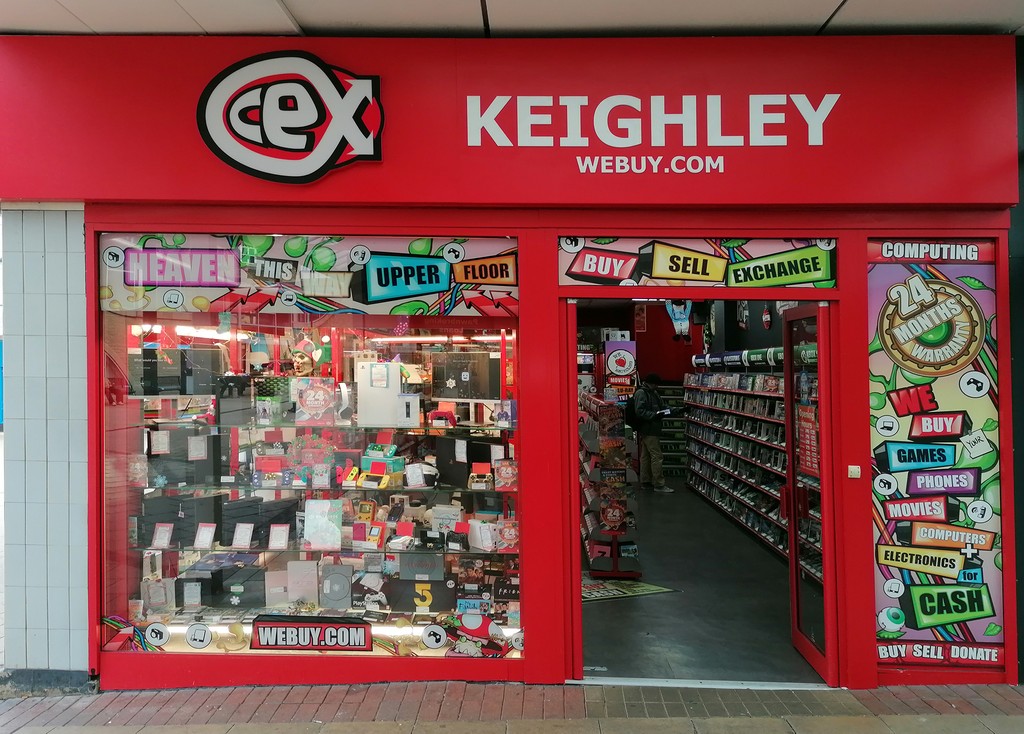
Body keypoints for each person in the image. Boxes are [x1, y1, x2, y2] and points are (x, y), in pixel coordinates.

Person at [633, 373, 673, 493]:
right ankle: (659, 484)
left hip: (649, 429)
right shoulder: (642, 393)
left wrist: (675, 410)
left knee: (645, 456)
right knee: (657, 456)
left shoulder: (652, 393)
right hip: (649, 429)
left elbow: (662, 406)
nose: (657, 386)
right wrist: (655, 415)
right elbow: (639, 411)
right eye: (656, 384)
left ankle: (645, 482)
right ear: (651, 383)